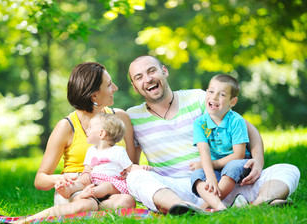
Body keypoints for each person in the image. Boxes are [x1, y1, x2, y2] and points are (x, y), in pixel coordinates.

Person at [126, 55, 300, 215]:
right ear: (134, 87)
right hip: (173, 188)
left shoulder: (198, 98)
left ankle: (260, 202)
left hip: (220, 183)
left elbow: (248, 129)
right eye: (139, 77)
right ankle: (183, 208)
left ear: (164, 71)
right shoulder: (132, 117)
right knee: (135, 177)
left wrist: (258, 162)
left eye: (152, 71)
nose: (148, 79)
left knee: (287, 169)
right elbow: (130, 164)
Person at [9, 62, 138, 224]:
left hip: (110, 188)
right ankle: (27, 220)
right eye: (109, 84)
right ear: (94, 96)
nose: (116, 88)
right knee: (87, 204)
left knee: (126, 202)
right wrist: (62, 179)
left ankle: (96, 212)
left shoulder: (120, 118)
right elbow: (40, 180)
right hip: (76, 190)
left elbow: (132, 165)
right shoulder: (66, 126)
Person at [55, 113, 151, 201]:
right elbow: (87, 168)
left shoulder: (118, 151)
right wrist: (85, 174)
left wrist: (142, 168)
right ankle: (68, 189)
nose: (87, 130)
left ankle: (91, 193)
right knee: (81, 181)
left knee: (106, 186)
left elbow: (130, 167)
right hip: (94, 179)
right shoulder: (91, 151)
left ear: (101, 134)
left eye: (90, 127)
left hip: (112, 183)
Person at [191, 74, 252, 211]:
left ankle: (204, 207)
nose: (214, 97)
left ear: (233, 102)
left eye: (222, 94)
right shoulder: (199, 123)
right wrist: (210, 175)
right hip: (216, 168)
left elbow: (239, 155)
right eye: (211, 91)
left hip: (239, 164)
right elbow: (204, 152)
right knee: (197, 176)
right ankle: (219, 206)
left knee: (232, 166)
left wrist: (211, 167)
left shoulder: (236, 121)